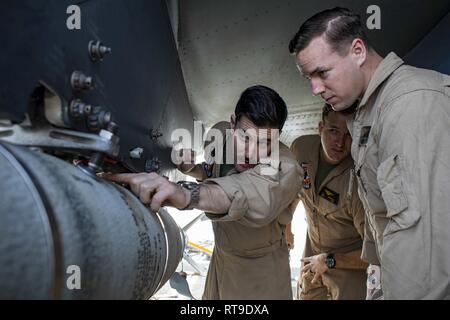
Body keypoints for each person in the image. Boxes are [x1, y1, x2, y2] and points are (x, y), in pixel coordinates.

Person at [289, 7, 450, 299]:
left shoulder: (409, 106)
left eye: (322, 73)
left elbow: (424, 253)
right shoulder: (367, 115)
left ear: (358, 51)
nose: (315, 89)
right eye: (308, 78)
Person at [104, 85, 301, 299]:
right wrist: (192, 169)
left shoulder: (285, 166)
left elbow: (245, 191)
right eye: (245, 137)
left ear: (278, 136)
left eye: (264, 143)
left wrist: (186, 194)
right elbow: (213, 172)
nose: (250, 154)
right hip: (220, 260)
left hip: (260, 273)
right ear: (233, 124)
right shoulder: (221, 135)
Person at [287, 104, 371, 300]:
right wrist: (287, 226)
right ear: (320, 128)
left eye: (348, 134)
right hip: (313, 252)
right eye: (333, 131)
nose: (340, 143)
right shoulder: (301, 149)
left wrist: (329, 261)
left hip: (348, 264)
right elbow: (295, 190)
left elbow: (375, 252)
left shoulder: (358, 179)